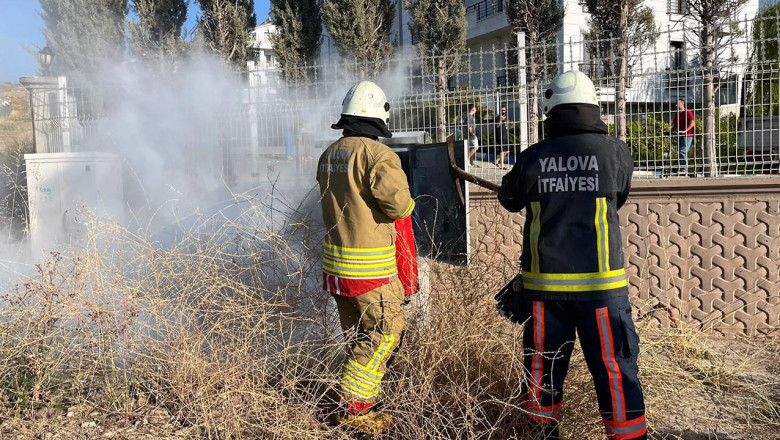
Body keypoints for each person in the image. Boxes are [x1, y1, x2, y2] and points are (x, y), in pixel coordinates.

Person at [497, 71, 646, 440]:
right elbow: (619, 196)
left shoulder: (533, 157)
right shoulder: (615, 152)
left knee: (542, 371)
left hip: (546, 295)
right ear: (593, 106)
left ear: (550, 110)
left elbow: (509, 199)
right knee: (615, 371)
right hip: (603, 293)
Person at [316, 80, 419, 436]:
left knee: (359, 338)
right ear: (378, 119)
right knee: (386, 332)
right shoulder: (379, 156)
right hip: (371, 272)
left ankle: (364, 402)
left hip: (337, 272)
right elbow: (399, 206)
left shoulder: (329, 154)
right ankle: (354, 409)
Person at [670, 98, 695, 175]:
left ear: (682, 103)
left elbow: (693, 123)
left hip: (688, 135)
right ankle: (681, 167)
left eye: (678, 103)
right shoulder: (677, 114)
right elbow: (675, 125)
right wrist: (670, 131)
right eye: (676, 104)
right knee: (681, 151)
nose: (677, 105)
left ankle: (684, 168)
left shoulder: (688, 112)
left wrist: (685, 131)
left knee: (683, 151)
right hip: (680, 135)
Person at [494, 105, 510, 169]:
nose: (503, 111)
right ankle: (502, 165)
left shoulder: (505, 117)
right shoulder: (498, 117)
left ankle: (497, 160)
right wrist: (501, 119)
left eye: (504, 110)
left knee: (507, 151)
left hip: (505, 135)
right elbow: (497, 126)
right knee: (502, 150)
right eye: (502, 110)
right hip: (500, 135)